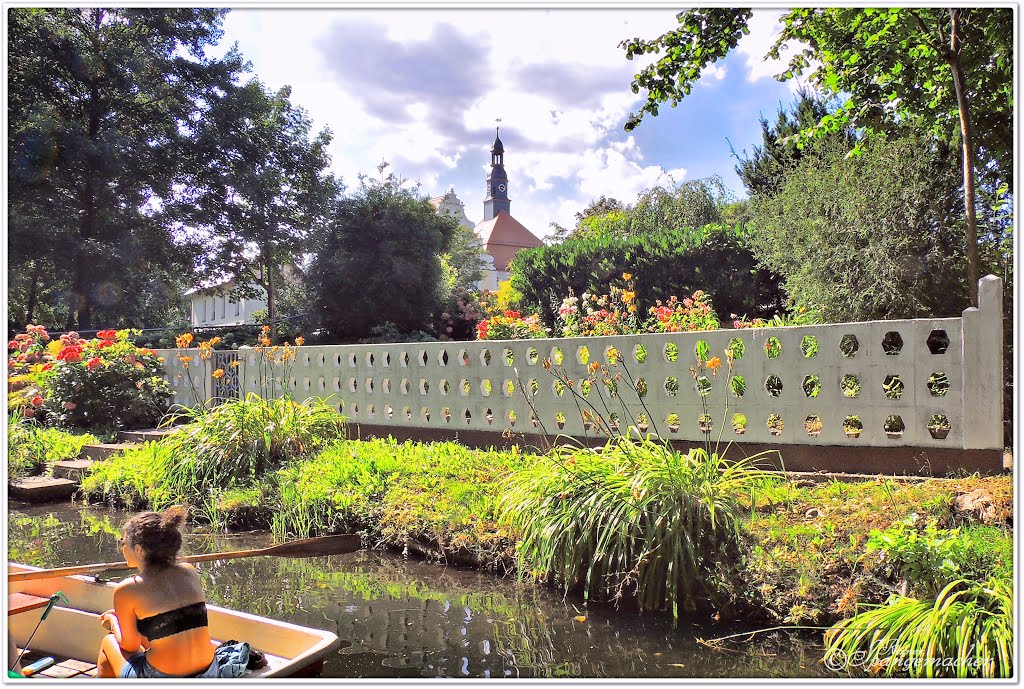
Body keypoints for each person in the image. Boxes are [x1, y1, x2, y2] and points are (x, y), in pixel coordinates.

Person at [96, 506, 218, 678]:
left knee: (109, 642)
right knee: (154, 635)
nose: (121, 545)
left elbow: (130, 646)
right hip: (209, 672)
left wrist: (113, 621)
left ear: (138, 550)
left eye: (123, 541)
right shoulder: (189, 571)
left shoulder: (127, 589)